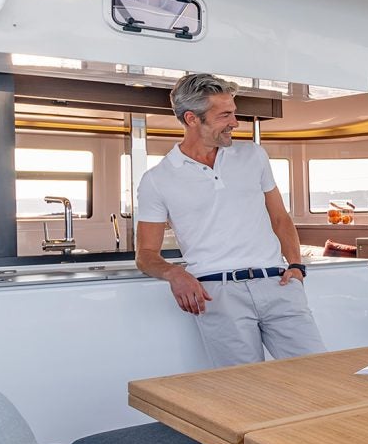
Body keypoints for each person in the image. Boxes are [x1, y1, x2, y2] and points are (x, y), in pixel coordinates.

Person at [135, 72, 327, 367]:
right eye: (225, 115)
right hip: (217, 295)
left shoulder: (254, 155)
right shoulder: (157, 180)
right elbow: (146, 255)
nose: (235, 123)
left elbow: (279, 217)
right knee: (243, 391)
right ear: (192, 119)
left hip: (278, 284)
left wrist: (297, 266)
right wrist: (176, 274)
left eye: (234, 113)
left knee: (318, 373)